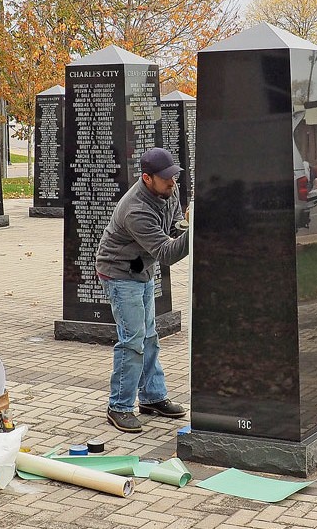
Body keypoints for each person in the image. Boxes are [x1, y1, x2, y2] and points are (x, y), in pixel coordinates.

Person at [96, 147, 190, 433]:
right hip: (119, 274)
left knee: (150, 336)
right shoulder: (135, 209)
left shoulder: (167, 192)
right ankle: (119, 406)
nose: (173, 183)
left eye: (174, 177)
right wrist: (198, 232)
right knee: (132, 340)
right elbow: (167, 253)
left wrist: (186, 225)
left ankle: (151, 397)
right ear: (147, 179)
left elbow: (174, 227)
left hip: (141, 270)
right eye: (166, 179)